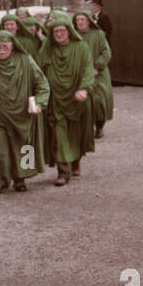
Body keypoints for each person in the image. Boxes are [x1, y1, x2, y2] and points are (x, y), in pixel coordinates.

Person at [0, 28, 49, 194]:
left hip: (22, 115)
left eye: (5, 46)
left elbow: (42, 83)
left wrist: (40, 103)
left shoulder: (26, 60)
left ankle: (21, 178)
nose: (1, 49)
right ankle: (2, 178)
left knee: (24, 147)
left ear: (13, 46)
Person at [37, 10, 94, 185]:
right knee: (58, 135)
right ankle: (63, 172)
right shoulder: (47, 50)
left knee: (75, 134)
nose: (59, 34)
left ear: (69, 31)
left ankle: (75, 161)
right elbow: (38, 74)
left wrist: (84, 88)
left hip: (77, 100)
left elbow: (87, 70)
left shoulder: (81, 48)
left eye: (62, 30)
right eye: (55, 32)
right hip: (56, 101)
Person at [72, 10, 113, 138]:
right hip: (80, 73)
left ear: (89, 21)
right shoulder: (73, 36)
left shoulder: (99, 34)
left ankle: (99, 127)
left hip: (98, 73)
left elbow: (106, 52)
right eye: (77, 20)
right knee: (82, 100)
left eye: (82, 19)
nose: (79, 22)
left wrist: (97, 66)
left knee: (99, 100)